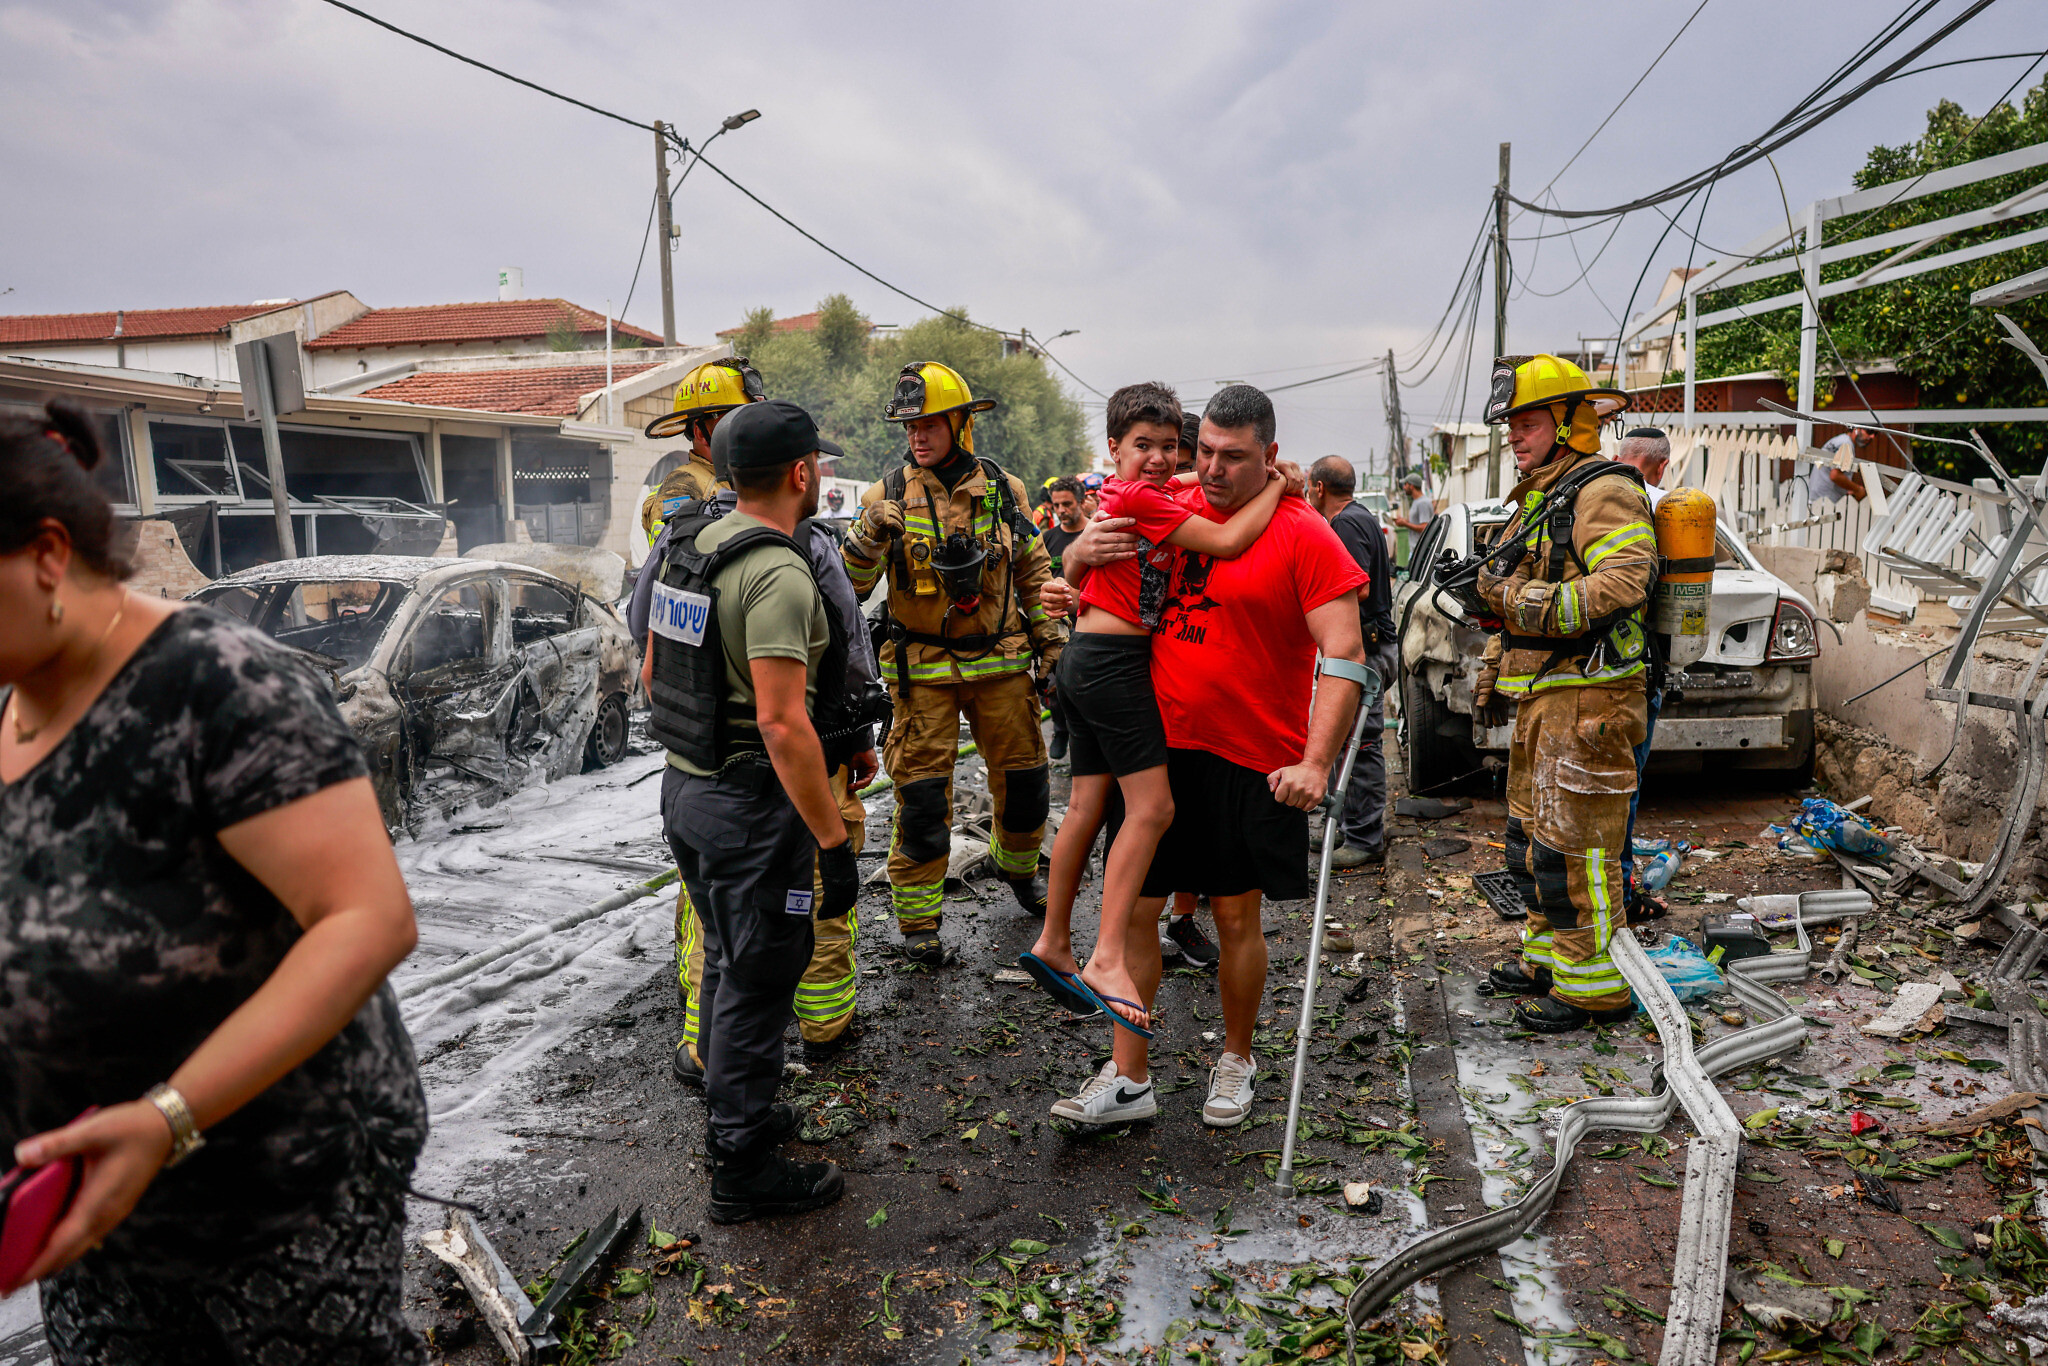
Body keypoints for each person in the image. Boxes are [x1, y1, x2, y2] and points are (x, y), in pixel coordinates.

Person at [0, 403, 429, 1360]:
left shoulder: (221, 683)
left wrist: (167, 1118)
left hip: (278, 1194)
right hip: (92, 1218)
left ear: (45, 554)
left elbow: (367, 917)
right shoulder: (10, 708)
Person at [1049, 385, 1367, 1129]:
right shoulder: (1171, 504)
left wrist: (1316, 762)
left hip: (1250, 752)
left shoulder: (1303, 533)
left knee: (1233, 917)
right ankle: (1130, 1076)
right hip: (1156, 744)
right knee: (1137, 913)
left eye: (1235, 457)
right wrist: (1073, 557)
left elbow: (1345, 653)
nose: (1214, 469)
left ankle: (1237, 1058)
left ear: (1272, 457)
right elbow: (1092, 567)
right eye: (1206, 453)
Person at [630, 365, 873, 1086]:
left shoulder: (678, 541)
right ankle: (800, 1048)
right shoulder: (795, 550)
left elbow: (650, 656)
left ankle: (708, 1050)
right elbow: (841, 659)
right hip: (785, 769)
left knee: (715, 925)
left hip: (695, 779)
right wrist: (856, 744)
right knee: (807, 906)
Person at [1022, 382, 1286, 1034]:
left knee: (1085, 805)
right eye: (1144, 446)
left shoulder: (1140, 491)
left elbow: (1198, 480)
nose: (1162, 458)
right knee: (1154, 808)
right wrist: (1277, 486)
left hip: (1085, 658)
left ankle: (1054, 940)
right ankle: (1107, 954)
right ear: (1112, 449)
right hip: (1115, 668)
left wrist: (1213, 467)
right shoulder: (1140, 495)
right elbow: (1227, 545)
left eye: (1171, 447)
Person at [842, 363, 1062, 965]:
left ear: (961, 424)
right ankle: (918, 921)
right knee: (920, 798)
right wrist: (865, 537)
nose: (917, 435)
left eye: (930, 423)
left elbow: (1034, 574)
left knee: (1024, 787)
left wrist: (1053, 650)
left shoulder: (1003, 489)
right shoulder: (882, 496)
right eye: (909, 425)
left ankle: (1019, 872)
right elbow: (853, 589)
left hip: (1002, 663)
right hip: (920, 674)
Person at [1473, 355, 1655, 1034]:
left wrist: (1514, 599)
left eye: (1526, 422)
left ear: (1570, 422)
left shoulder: (1601, 491)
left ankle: (1596, 990)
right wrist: (1494, 663)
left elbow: (1622, 585)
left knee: (1578, 856)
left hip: (1592, 703)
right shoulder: (1547, 493)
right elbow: (1514, 599)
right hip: (1548, 700)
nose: (1514, 436)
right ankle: (1549, 962)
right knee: (1534, 844)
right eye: (1510, 425)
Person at [1306, 455, 1398, 869]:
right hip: (1370, 648)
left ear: (1319, 487)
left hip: (1367, 652)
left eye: (1310, 486)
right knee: (1347, 743)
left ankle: (1365, 837)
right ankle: (1346, 825)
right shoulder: (1359, 517)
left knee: (1361, 745)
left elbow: (1355, 587)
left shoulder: (1344, 523)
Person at [638, 357, 764, 535]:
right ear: (700, 432)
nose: (747, 430)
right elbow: (680, 555)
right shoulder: (682, 488)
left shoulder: (738, 480)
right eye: (734, 421)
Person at [1040, 476, 1088, 762]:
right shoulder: (1047, 539)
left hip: (1088, 623)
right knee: (1054, 685)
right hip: (1056, 626)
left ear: (1081, 502)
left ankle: (1084, 742)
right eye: (1056, 504)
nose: (1061, 510)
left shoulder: (1094, 534)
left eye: (1067, 504)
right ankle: (1060, 730)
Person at [1808, 427, 1872, 504]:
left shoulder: (1839, 440)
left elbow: (1830, 470)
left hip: (1817, 496)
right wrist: (1857, 489)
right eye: (1869, 431)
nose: (1872, 436)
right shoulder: (1846, 445)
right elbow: (1835, 475)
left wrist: (1847, 488)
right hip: (1826, 501)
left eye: (1875, 434)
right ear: (1856, 428)